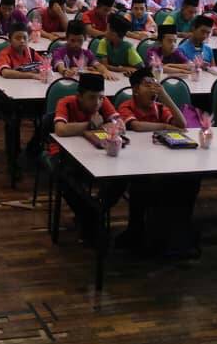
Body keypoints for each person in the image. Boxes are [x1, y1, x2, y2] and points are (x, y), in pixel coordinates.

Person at [114, 66, 196, 255]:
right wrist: (165, 126)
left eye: (155, 84)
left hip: (162, 161)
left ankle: (175, 233)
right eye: (147, 84)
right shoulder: (127, 106)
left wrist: (165, 96)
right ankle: (138, 231)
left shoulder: (159, 107)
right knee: (143, 184)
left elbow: (182, 124)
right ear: (135, 89)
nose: (153, 88)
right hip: (137, 162)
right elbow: (136, 126)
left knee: (190, 179)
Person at [51, 72, 122, 241]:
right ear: (79, 96)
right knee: (66, 178)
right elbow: (60, 129)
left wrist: (108, 125)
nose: (97, 102)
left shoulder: (103, 102)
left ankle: (93, 213)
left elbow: (120, 125)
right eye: (91, 98)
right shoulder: (66, 103)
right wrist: (90, 124)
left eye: (100, 97)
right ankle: (91, 217)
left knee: (121, 179)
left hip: (95, 153)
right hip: (63, 153)